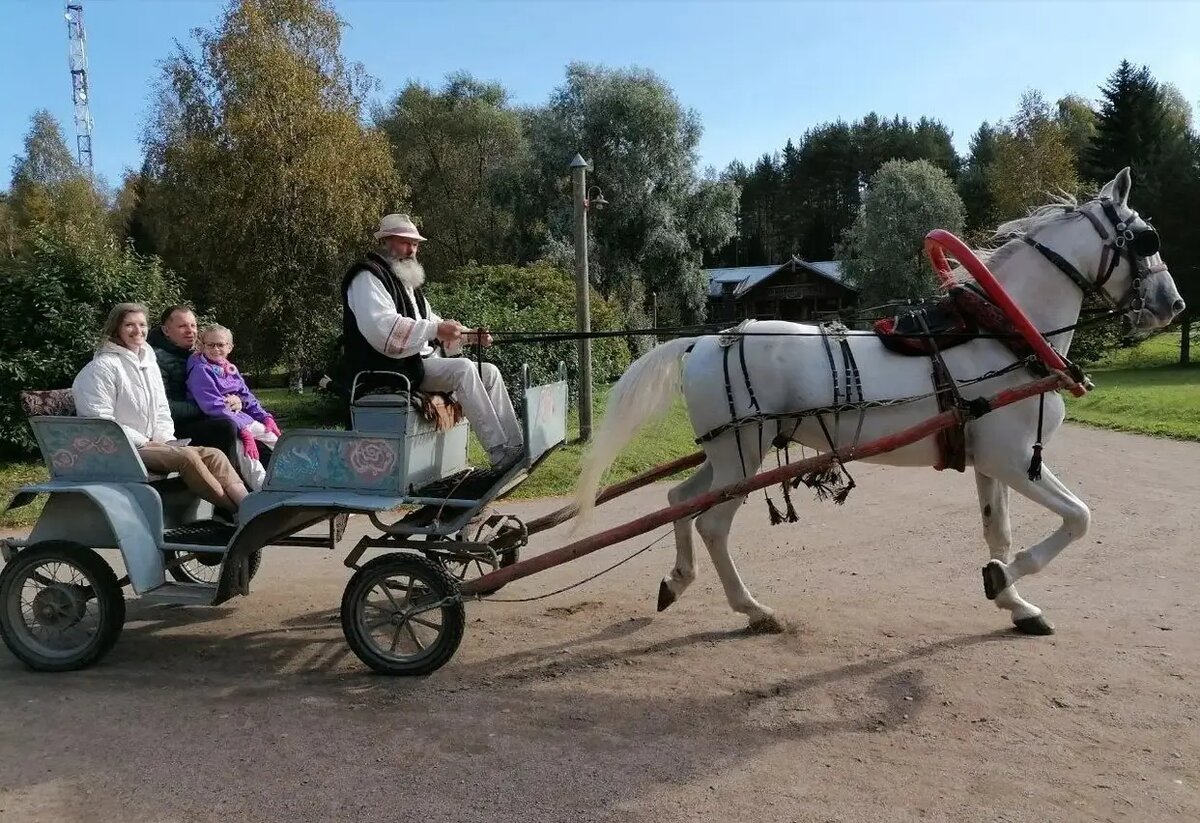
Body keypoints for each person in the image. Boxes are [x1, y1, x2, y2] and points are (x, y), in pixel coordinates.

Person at [340, 213, 523, 470]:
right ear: (385, 242)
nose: (412, 250)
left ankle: (516, 446)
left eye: (415, 244)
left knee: (489, 372)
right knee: (463, 369)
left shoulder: (405, 280)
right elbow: (384, 330)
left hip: (415, 365)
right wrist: (436, 329)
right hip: (387, 370)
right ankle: (498, 453)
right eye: (405, 242)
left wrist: (470, 335)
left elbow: (431, 321)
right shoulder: (367, 278)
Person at [72, 303, 249, 518]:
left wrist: (165, 439)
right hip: (121, 448)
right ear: (116, 329)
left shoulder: (148, 361)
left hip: (153, 444)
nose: (138, 330)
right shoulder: (101, 368)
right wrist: (143, 441)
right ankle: (236, 512)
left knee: (215, 455)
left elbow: (161, 408)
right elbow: (100, 421)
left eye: (142, 324)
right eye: (129, 325)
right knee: (187, 458)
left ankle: (249, 505)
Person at [147, 305, 272, 473]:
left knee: (255, 425)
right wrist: (211, 405)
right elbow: (163, 407)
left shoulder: (200, 354)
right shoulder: (154, 359)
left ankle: (275, 476)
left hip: (210, 413)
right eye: (182, 326)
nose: (190, 331)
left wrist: (239, 400)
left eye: (193, 325)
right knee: (227, 426)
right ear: (166, 330)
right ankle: (232, 479)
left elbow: (229, 385)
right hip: (176, 426)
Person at [186, 324, 281, 490]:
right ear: (203, 345)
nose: (216, 349)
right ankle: (262, 489)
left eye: (220, 345)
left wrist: (264, 416)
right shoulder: (200, 370)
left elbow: (245, 394)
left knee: (274, 438)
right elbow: (213, 405)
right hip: (221, 422)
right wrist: (242, 428)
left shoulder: (227, 367)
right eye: (210, 345)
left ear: (229, 347)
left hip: (241, 419)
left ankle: (299, 473)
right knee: (248, 454)